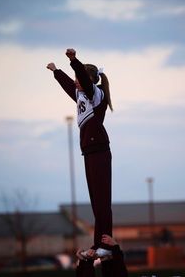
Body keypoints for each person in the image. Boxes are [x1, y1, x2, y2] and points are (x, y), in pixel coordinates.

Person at [47, 48, 114, 256]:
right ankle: (98, 245)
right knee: (96, 202)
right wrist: (56, 72)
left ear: (89, 81)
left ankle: (107, 244)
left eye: (79, 78)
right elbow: (70, 86)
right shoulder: (82, 96)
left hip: (100, 151)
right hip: (89, 152)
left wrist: (74, 61)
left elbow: (83, 81)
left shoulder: (96, 94)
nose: (76, 82)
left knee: (102, 201)